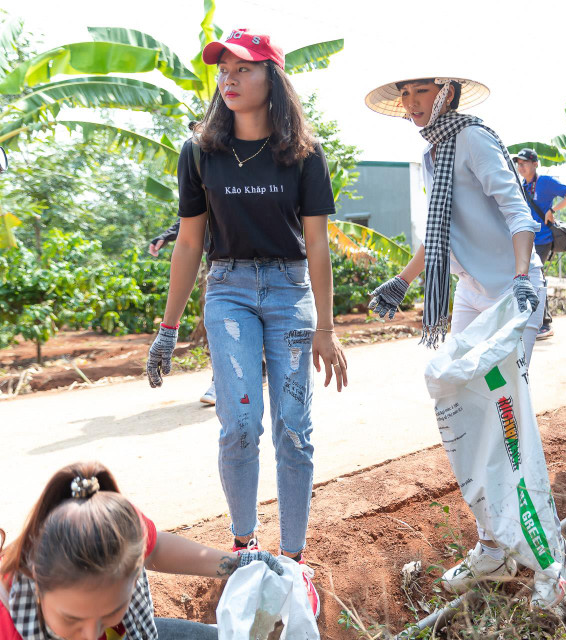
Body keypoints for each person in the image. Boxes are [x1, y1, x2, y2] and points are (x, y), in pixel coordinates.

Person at [364, 75, 566, 607]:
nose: (411, 105)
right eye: (404, 96)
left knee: (509, 421)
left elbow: (516, 213)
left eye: (420, 93)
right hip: (473, 293)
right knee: (467, 411)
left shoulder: (474, 139)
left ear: (447, 93)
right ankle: (493, 544)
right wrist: (403, 281)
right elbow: (442, 235)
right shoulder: (435, 152)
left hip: (512, 296)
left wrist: (525, 279)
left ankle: (553, 558)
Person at [145, 28, 347, 564]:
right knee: (239, 425)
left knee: (294, 430)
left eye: (245, 69)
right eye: (224, 70)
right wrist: (167, 331)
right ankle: (244, 545)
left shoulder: (303, 154)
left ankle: (295, 558)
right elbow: (189, 243)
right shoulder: (199, 152)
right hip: (228, 290)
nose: (230, 79)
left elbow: (318, 243)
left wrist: (326, 327)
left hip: (290, 291)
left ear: (272, 78)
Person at [0, 461, 287, 640]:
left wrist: (237, 563)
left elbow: (156, 547)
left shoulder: (121, 532)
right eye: (71, 619)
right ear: (38, 584)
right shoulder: (9, 625)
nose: (90, 635)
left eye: (109, 612)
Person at [147, 220, 217, 405]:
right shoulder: (207, 192)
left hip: (279, 267)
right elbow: (191, 217)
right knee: (223, 328)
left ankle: (259, 368)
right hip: (221, 269)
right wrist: (166, 236)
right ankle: (220, 381)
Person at [513, 148, 566, 340]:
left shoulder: (546, 182)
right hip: (526, 240)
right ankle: (533, 321)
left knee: (536, 279)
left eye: (524, 162)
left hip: (542, 240)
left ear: (535, 164)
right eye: (519, 163)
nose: (520, 166)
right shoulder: (521, 186)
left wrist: (553, 210)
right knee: (527, 279)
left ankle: (545, 323)